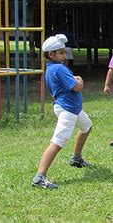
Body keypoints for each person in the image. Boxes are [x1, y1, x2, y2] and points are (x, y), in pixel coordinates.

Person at [31, 34, 92, 189]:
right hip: (68, 110)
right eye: (61, 53)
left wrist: (73, 80)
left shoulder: (51, 68)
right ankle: (39, 177)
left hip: (72, 108)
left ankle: (76, 158)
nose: (64, 55)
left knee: (86, 126)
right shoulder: (59, 68)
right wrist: (79, 81)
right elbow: (76, 87)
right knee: (57, 142)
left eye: (65, 52)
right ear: (51, 54)